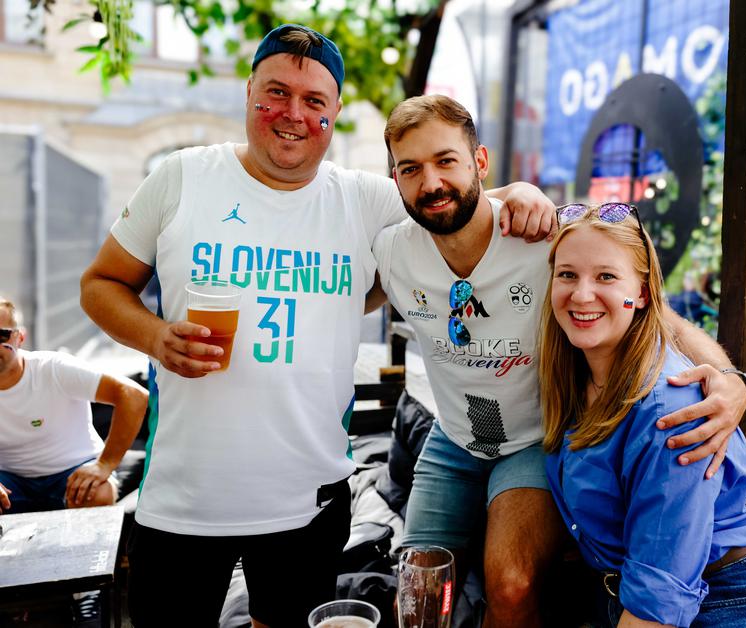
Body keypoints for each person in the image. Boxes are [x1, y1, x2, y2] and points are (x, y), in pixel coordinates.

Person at [79, 24, 555, 628]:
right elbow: (100, 284)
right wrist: (155, 336)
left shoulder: (367, 199)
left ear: (334, 112)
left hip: (308, 499)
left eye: (314, 101)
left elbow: (450, 199)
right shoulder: (181, 176)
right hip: (184, 499)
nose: (293, 114)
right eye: (276, 92)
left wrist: (523, 192)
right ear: (250, 91)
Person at [371, 95, 746, 626]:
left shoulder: (542, 236)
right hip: (453, 436)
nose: (430, 181)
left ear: (479, 161)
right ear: (394, 177)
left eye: (446, 160)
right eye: (410, 168)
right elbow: (330, 292)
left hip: (536, 437)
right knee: (415, 589)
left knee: (511, 583)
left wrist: (731, 380)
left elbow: (658, 314)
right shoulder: (391, 251)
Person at [539, 205, 746, 627]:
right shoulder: (572, 379)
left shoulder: (670, 408)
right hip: (635, 597)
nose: (581, 294)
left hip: (739, 606)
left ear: (642, 294)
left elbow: (658, 604)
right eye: (567, 274)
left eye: (606, 276)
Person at [0, 296, 148, 514]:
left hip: (72, 471)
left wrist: (104, 465)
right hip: (10, 481)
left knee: (96, 494)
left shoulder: (52, 368)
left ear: (19, 337)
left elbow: (133, 395)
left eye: (1, 335)